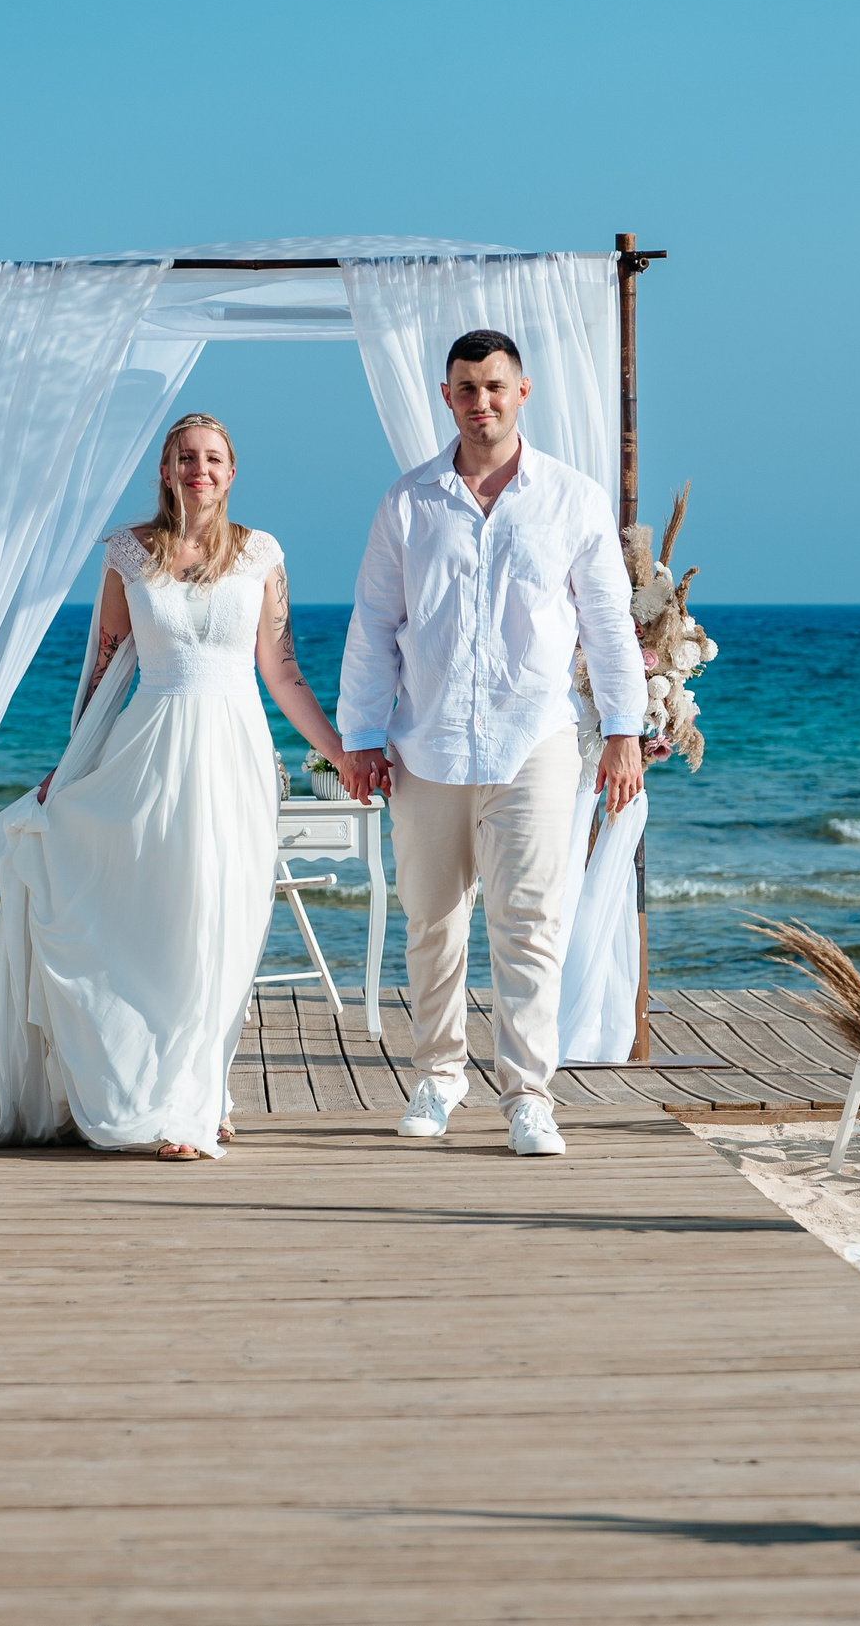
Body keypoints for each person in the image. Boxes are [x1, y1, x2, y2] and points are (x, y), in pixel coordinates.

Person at [0, 414, 347, 1160]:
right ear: (165, 469)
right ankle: (167, 1097)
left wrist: (340, 752)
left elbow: (282, 672)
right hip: (150, 751)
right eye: (185, 457)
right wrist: (69, 767)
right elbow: (102, 672)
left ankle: (202, 1096)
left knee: (223, 924)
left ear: (233, 470)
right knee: (161, 928)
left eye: (214, 458)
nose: (200, 469)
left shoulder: (261, 554)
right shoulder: (129, 553)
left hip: (235, 753)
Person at [337, 330, 647, 1157]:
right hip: (425, 741)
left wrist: (624, 730)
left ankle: (528, 1095)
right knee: (433, 920)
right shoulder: (407, 503)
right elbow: (374, 625)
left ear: (524, 391)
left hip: (535, 736)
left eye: (496, 386)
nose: (483, 401)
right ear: (448, 398)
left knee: (531, 920)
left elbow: (609, 624)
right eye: (467, 388)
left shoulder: (573, 499)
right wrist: (362, 735)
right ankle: (437, 1077)